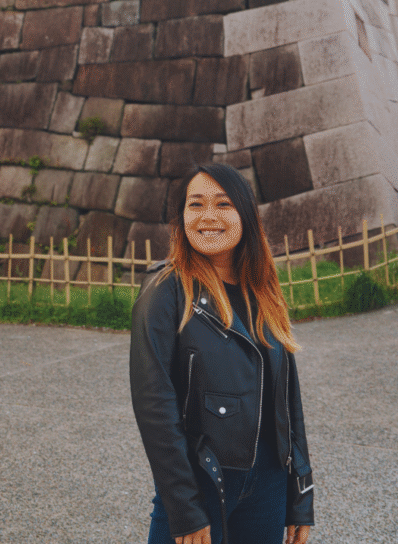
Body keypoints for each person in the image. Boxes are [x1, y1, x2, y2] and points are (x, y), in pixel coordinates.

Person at [130, 163, 314, 544]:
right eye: (195, 204)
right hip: (202, 485)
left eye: (223, 204)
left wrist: (299, 496)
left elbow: (287, 402)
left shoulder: (263, 291)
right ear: (182, 219)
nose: (209, 216)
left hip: (268, 488)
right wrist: (184, 508)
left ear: (245, 214)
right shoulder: (167, 291)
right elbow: (155, 407)